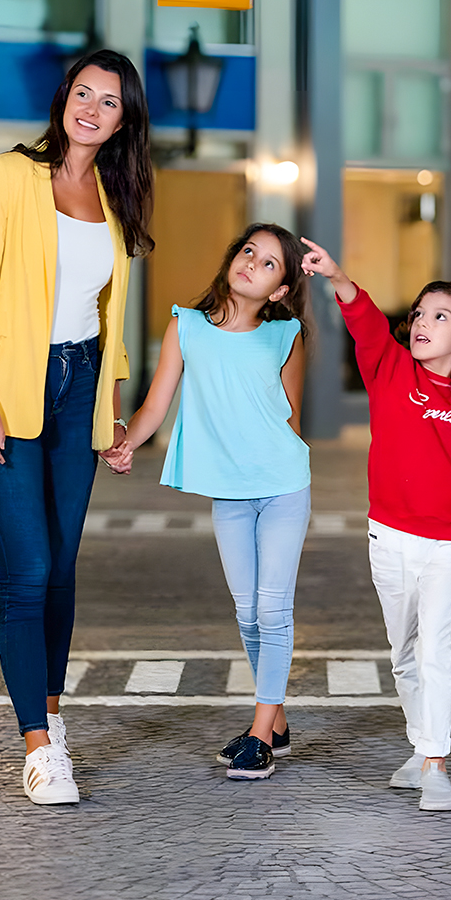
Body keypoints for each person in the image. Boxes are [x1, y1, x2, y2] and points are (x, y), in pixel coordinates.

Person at [0, 50, 153, 805]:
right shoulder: (10, 176)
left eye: (109, 102)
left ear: (125, 120)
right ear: (64, 97)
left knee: (62, 569)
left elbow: (111, 323)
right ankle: (37, 748)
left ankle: (52, 716)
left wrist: (116, 410)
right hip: (8, 386)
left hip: (81, 388)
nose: (91, 109)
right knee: (26, 572)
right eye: (83, 93)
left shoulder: (113, 195)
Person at [300, 240, 451, 812]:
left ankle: (437, 766)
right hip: (387, 535)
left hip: (447, 540)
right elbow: (366, 321)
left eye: (440, 317)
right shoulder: (389, 368)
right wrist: (337, 275)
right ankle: (420, 751)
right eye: (420, 313)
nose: (422, 323)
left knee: (435, 648)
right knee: (403, 651)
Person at [102, 224, 312, 781]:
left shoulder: (286, 334)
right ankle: (279, 719)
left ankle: (260, 733)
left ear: (280, 289)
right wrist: (126, 441)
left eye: (269, 264)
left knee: (273, 609)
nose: (252, 264)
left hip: (284, 482)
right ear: (232, 257)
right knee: (246, 611)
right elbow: (155, 406)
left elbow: (292, 416)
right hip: (231, 491)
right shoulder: (186, 326)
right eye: (249, 252)